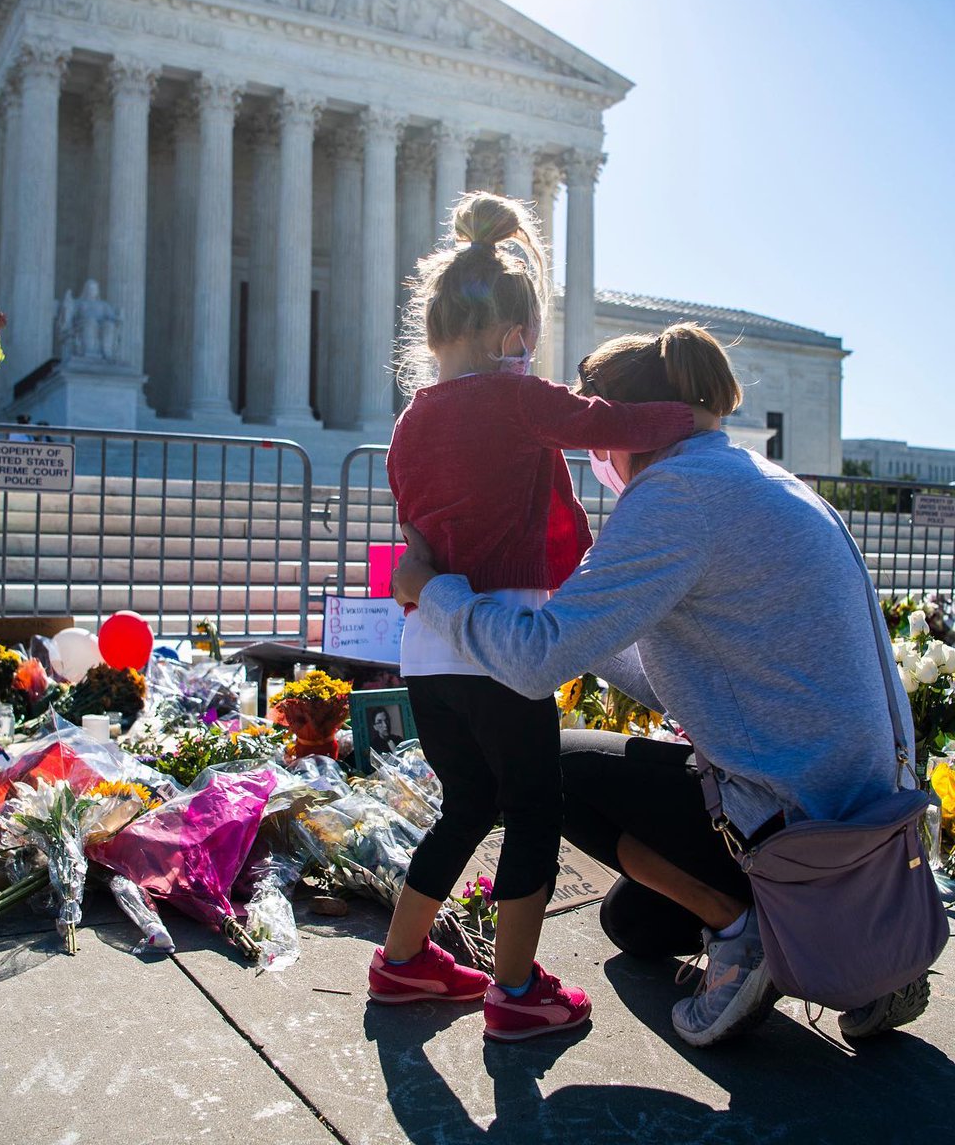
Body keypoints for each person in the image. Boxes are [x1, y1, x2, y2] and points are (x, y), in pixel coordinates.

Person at [389, 322, 930, 1047]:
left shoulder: (676, 496)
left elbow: (533, 664)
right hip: (862, 820)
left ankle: (746, 940)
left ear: (621, 426)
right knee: (632, 927)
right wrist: (580, 626)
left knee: (559, 772)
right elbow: (695, 677)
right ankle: (843, 942)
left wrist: (435, 591)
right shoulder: (761, 480)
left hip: (789, 824)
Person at [366, 192, 714, 1044]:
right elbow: (607, 422)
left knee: (464, 804)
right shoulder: (518, 399)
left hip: (428, 648)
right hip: (502, 641)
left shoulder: (409, 423)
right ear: (514, 334)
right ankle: (515, 987)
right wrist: (694, 417)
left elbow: (413, 532)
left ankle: (402, 960)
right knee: (532, 806)